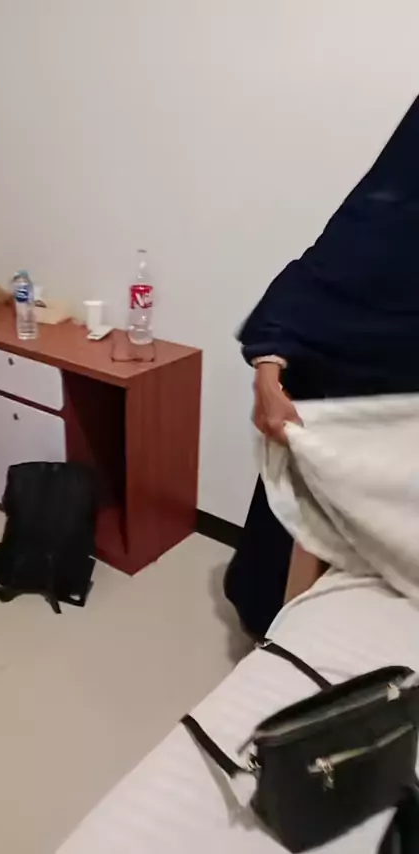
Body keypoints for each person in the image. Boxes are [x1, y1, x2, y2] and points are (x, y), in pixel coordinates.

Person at [224, 95, 419, 637]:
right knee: (282, 572)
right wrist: (268, 378)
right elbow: (311, 288)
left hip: (400, 474)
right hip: (334, 422)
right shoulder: (386, 221)